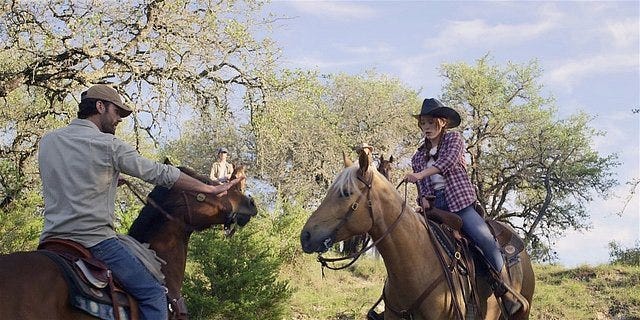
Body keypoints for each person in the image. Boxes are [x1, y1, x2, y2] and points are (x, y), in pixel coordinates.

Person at [38, 84, 243, 320]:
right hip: (95, 241)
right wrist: (208, 187)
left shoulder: (49, 141)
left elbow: (64, 178)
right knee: (154, 295)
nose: (118, 120)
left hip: (51, 240)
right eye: (116, 112)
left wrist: (103, 180)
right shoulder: (109, 146)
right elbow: (159, 173)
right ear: (100, 106)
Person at [404, 98, 527, 317]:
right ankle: (396, 300)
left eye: (431, 122)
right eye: (423, 123)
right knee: (405, 244)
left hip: (459, 204)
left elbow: (448, 163)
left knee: (485, 241)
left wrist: (420, 175)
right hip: (433, 209)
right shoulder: (418, 156)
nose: (427, 127)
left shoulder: (454, 140)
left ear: (442, 122)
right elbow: (422, 187)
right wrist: (422, 198)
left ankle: (506, 292)